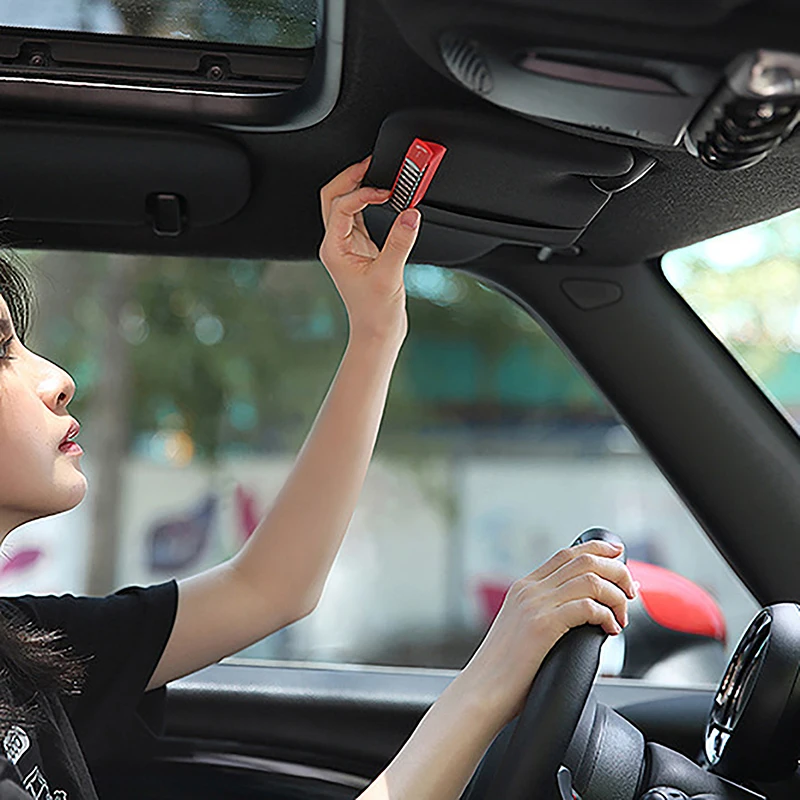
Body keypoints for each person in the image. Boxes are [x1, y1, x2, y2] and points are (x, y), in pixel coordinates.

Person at [0, 156, 636, 800]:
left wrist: (377, 328)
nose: (57, 379)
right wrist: (492, 679)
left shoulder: (18, 648)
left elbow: (268, 587)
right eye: (0, 350)